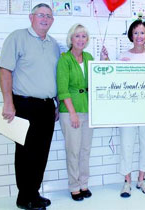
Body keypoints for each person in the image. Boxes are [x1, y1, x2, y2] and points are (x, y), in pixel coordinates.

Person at [0, 3, 60, 210]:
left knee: (42, 152)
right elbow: (5, 70)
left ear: (52, 21)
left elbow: (56, 77)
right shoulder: (17, 37)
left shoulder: (53, 44)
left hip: (47, 107)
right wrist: (8, 102)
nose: (45, 19)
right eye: (41, 15)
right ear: (31, 17)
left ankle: (34, 193)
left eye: (49, 16)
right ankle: (24, 197)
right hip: (24, 105)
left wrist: (57, 104)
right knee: (25, 154)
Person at [117, 20, 145, 198]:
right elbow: (116, 82)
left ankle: (142, 179)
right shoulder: (123, 55)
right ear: (131, 35)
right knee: (126, 145)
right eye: (135, 33)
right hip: (127, 110)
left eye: (142, 33)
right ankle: (127, 182)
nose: (139, 36)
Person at [57, 24, 94, 201]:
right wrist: (72, 113)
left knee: (85, 150)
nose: (81, 39)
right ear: (71, 39)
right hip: (70, 111)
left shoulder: (89, 58)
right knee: (73, 150)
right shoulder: (64, 59)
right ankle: (74, 186)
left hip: (87, 110)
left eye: (84, 36)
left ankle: (84, 184)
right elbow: (62, 89)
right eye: (77, 36)